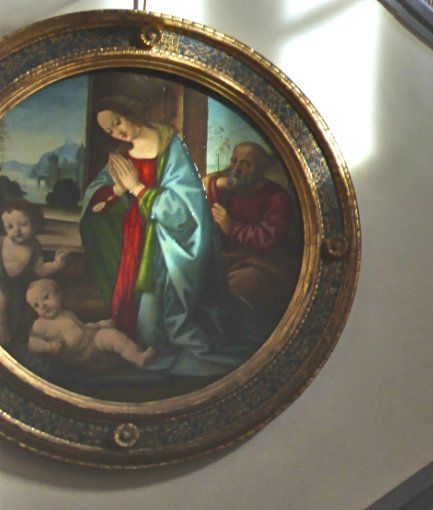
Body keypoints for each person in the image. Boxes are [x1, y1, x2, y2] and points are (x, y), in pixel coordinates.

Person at [79, 85, 261, 379]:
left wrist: (138, 189)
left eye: (117, 123)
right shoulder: (121, 155)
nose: (117, 132)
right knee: (139, 325)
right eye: (110, 131)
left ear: (129, 112)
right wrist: (116, 189)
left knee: (163, 325)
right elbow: (97, 195)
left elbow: (185, 213)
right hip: (135, 245)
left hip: (165, 247)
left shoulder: (170, 146)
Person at [208, 140, 301, 327]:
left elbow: (269, 237)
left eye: (246, 164)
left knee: (232, 288)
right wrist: (216, 184)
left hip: (267, 265)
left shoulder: (278, 197)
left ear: (261, 169)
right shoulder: (234, 190)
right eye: (234, 161)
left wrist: (231, 228)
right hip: (234, 259)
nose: (237, 168)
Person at [25, 276, 153, 373]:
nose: (42, 306)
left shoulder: (66, 314)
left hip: (91, 342)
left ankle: (138, 357)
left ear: (59, 295)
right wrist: (48, 346)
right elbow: (32, 343)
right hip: (77, 356)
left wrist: (99, 325)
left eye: (46, 298)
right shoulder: (40, 324)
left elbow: (83, 328)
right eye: (36, 305)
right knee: (110, 358)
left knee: (113, 336)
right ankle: (126, 356)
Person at [1, 202, 68, 353]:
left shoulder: (35, 246)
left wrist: (57, 264)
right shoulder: (2, 242)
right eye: (9, 227)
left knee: (27, 316)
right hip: (1, 287)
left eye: (23, 224)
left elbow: (41, 270)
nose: (17, 230)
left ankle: (20, 346)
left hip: (21, 291)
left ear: (35, 223)